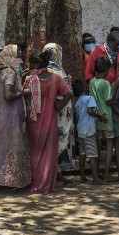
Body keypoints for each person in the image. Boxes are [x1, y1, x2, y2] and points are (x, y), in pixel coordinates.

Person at [25, 51, 73, 194]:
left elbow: (25, 96)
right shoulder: (55, 78)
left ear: (36, 64)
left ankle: (35, 183)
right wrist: (58, 106)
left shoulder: (30, 79)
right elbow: (68, 93)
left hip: (33, 121)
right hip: (50, 120)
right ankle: (47, 184)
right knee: (49, 153)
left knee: (34, 152)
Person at [0, 44, 32, 189]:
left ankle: (5, 180)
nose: (21, 54)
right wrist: (24, 92)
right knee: (14, 146)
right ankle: (14, 181)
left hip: (2, 114)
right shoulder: (10, 72)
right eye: (18, 52)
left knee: (5, 146)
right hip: (12, 114)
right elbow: (8, 95)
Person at [43, 43, 75, 177]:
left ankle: (55, 171)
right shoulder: (57, 70)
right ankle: (59, 171)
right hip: (61, 110)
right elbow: (67, 91)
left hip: (54, 109)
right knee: (61, 139)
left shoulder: (47, 69)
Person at [89, 56, 116, 182]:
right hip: (107, 117)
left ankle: (97, 172)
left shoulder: (92, 82)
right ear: (106, 70)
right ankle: (106, 173)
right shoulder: (106, 84)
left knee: (98, 146)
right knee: (110, 145)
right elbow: (109, 101)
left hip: (96, 117)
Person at [75, 80, 104, 185]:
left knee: (82, 154)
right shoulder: (90, 98)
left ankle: (82, 176)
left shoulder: (77, 101)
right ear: (84, 88)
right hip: (89, 130)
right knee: (93, 155)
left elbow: (78, 116)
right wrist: (101, 117)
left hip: (80, 131)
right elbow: (90, 111)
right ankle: (96, 179)